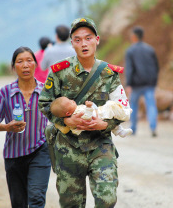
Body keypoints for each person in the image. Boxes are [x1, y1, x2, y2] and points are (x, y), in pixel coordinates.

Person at [38, 17, 130, 207]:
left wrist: (105, 124)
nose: (84, 44)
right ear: (72, 43)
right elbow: (45, 103)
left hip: (100, 145)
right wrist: (66, 122)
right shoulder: (59, 72)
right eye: (78, 40)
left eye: (88, 38)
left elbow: (121, 108)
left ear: (97, 40)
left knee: (107, 200)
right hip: (68, 148)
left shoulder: (109, 73)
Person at [0, 46, 51, 208]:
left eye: (29, 61)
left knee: (36, 197)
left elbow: (59, 116)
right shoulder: (6, 93)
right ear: (13, 67)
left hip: (40, 151)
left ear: (35, 64)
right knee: (18, 203)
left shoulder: (46, 92)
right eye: (20, 62)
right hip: (13, 155)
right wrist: (6, 127)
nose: (25, 65)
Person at [125, 26, 159, 137]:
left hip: (136, 85)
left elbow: (129, 69)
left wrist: (128, 83)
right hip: (149, 83)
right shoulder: (150, 49)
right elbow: (156, 67)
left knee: (134, 105)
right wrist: (154, 81)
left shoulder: (130, 51)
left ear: (134, 37)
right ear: (142, 36)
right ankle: (153, 127)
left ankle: (133, 128)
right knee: (151, 105)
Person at [50, 96, 132, 137]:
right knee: (111, 106)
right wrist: (89, 107)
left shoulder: (76, 110)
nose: (72, 100)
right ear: (68, 113)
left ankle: (120, 132)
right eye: (70, 102)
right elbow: (87, 117)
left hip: (98, 114)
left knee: (112, 117)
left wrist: (93, 106)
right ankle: (125, 114)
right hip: (99, 115)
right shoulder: (77, 113)